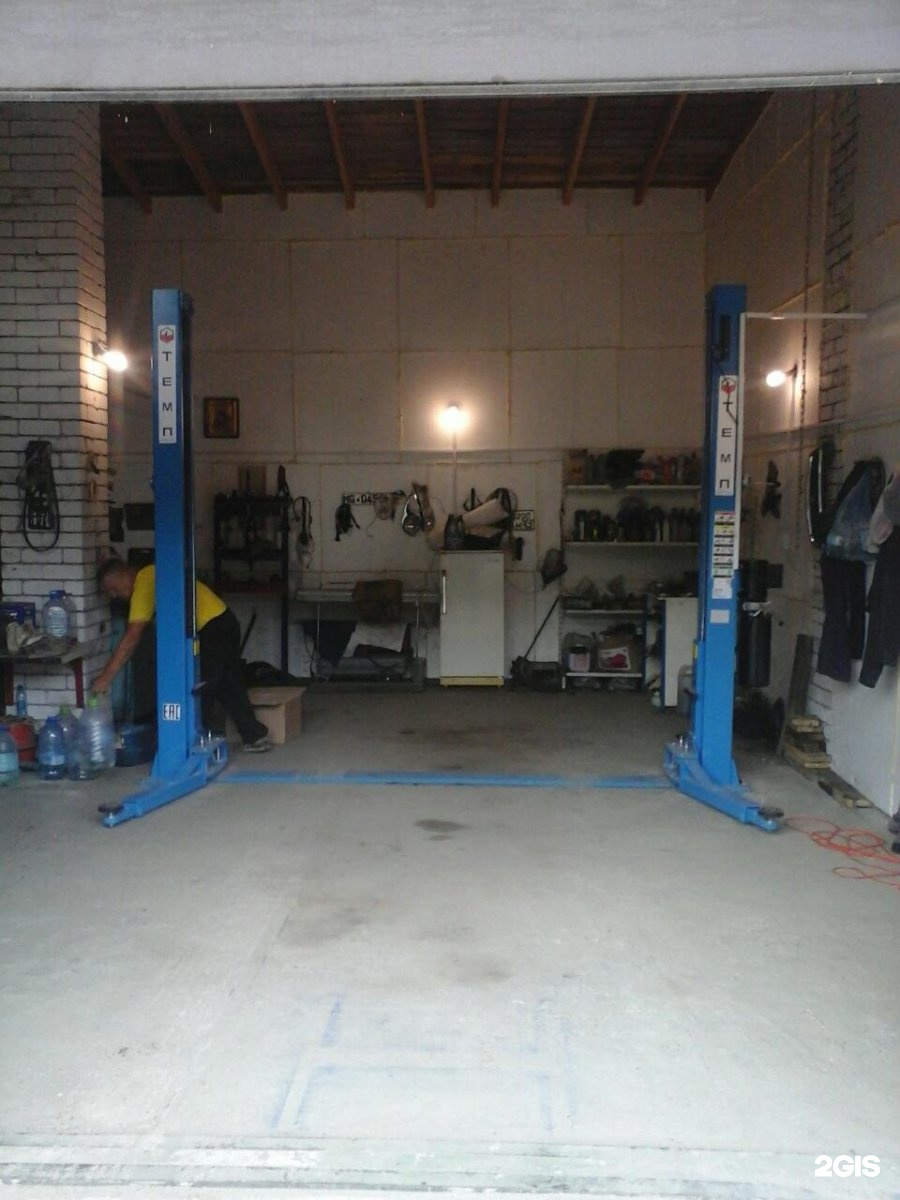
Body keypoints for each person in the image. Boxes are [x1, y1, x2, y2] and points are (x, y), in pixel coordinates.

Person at [93, 559, 271, 752]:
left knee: (201, 688)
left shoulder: (143, 585)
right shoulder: (151, 572)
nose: (114, 595)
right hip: (225, 621)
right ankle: (254, 736)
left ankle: (200, 744)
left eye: (113, 588)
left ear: (125, 575)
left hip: (212, 628)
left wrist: (106, 677)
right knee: (229, 683)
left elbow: (131, 638)